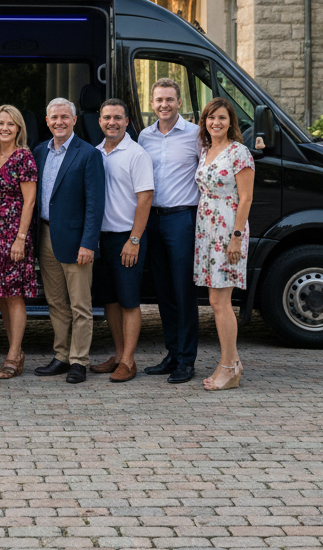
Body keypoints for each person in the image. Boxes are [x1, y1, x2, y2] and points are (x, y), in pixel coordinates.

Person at [33, 98, 105, 384]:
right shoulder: (40, 151)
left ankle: (79, 361)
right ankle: (61, 356)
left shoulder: (88, 154)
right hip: (46, 235)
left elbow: (95, 204)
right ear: (47, 120)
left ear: (74, 120)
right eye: (54, 117)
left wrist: (89, 243)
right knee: (56, 303)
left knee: (80, 305)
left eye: (65, 117)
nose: (59, 122)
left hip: (77, 241)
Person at [138, 76, 202, 385]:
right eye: (159, 100)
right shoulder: (144, 137)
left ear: (179, 103)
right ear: (152, 103)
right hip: (153, 218)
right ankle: (173, 353)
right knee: (163, 290)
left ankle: (187, 360)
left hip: (182, 219)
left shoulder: (195, 135)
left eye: (169, 99)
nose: (164, 104)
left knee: (182, 290)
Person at [90, 99, 155, 384]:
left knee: (129, 301)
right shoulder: (95, 153)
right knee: (110, 301)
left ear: (127, 122)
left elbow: (146, 198)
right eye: (107, 117)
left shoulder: (137, 154)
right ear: (99, 120)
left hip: (126, 238)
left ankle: (129, 361)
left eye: (118, 117)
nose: (112, 122)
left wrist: (135, 239)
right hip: (101, 238)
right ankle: (117, 355)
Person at [195, 98, 255, 391]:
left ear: (231, 121)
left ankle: (229, 368)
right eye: (210, 118)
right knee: (216, 301)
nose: (215, 122)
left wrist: (236, 237)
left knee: (221, 302)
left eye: (221, 118)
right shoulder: (207, 150)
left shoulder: (239, 152)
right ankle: (231, 361)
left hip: (227, 232)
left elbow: (246, 198)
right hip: (207, 231)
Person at [0, 104, 39, 379]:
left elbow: (29, 202)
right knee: (2, 295)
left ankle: (14, 354)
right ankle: (13, 351)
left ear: (19, 128)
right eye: (0, 123)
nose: (5, 128)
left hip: (14, 234)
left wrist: (20, 239)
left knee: (14, 295)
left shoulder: (23, 158)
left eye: (10, 124)